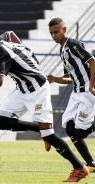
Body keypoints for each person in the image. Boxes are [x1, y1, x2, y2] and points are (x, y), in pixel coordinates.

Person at [0, 24, 89, 182]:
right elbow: (10, 33)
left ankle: (79, 168)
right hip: (22, 89)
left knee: (49, 133)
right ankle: (38, 129)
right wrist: (25, 54)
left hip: (37, 89)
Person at [47, 17, 95, 173]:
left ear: (64, 29)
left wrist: (91, 85)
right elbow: (70, 78)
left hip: (87, 93)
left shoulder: (74, 44)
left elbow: (93, 61)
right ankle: (91, 164)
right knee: (69, 128)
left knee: (80, 132)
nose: (54, 35)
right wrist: (55, 79)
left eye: (56, 32)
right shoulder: (62, 50)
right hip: (76, 93)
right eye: (51, 33)